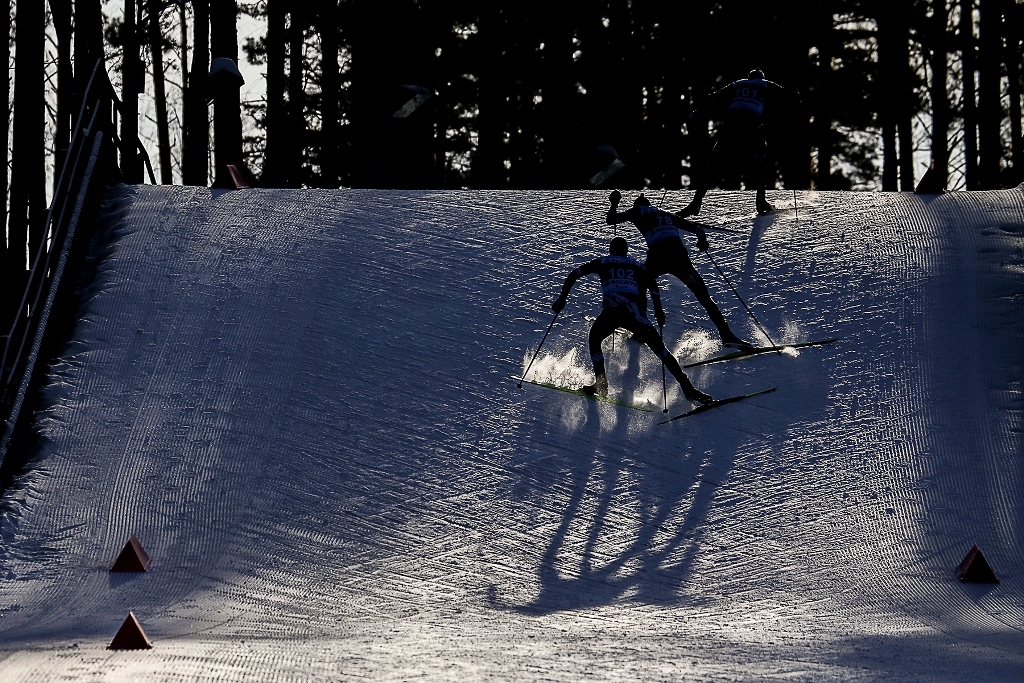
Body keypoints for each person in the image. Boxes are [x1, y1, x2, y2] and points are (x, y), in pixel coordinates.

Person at [552, 237, 712, 404]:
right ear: (626, 251)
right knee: (661, 350)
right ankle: (688, 388)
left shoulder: (603, 261)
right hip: (634, 313)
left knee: (595, 339)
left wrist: (562, 299)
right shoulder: (637, 265)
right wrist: (658, 311)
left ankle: (601, 383)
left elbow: (574, 274)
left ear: (611, 250)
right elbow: (653, 287)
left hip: (612, 312)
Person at [606, 190, 752, 349]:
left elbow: (611, 219)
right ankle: (726, 335)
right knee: (704, 296)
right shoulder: (666, 214)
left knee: (639, 284)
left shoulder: (637, 211)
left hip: (658, 257)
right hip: (679, 258)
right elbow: (699, 230)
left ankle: (641, 330)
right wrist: (702, 242)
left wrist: (614, 202)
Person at [681, 68, 790, 217]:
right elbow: (786, 94)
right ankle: (760, 200)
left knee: (714, 164)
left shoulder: (738, 83)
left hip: (731, 126)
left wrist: (699, 111)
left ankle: (696, 202)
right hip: (752, 125)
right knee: (760, 161)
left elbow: (713, 96)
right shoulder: (765, 84)